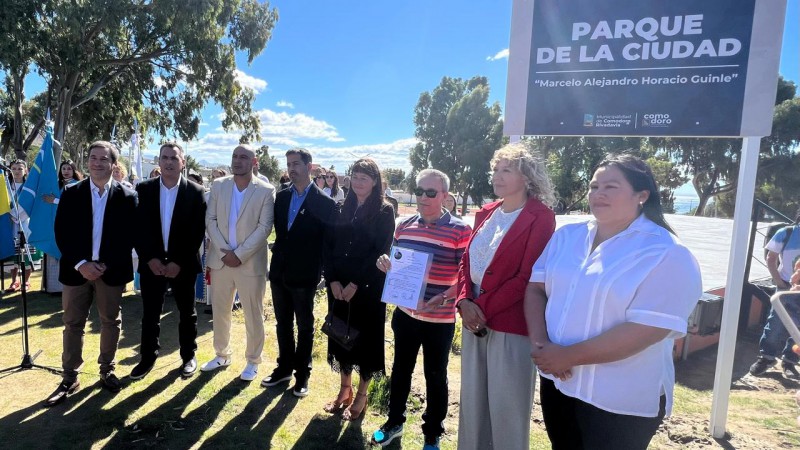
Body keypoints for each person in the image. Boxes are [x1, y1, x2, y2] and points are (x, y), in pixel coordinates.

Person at [526, 155, 702, 449]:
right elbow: (535, 290)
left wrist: (568, 356)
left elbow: (648, 329)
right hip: (559, 382)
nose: (598, 194)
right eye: (594, 186)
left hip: (619, 400)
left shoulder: (667, 253)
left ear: (642, 195)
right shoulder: (567, 237)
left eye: (611, 186)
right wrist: (541, 344)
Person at [455, 143, 556, 450]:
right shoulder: (485, 212)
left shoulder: (541, 216)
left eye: (506, 170)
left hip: (510, 325)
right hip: (473, 321)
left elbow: (526, 276)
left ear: (526, 177)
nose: (497, 176)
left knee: (506, 411)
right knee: (472, 407)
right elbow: (466, 262)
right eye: (496, 169)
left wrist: (479, 308)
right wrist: (463, 302)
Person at [371, 169, 471, 449]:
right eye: (419, 191)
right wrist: (385, 263)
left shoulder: (460, 230)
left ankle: (432, 433)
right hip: (405, 315)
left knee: (436, 376)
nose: (423, 197)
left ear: (444, 196)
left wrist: (442, 298)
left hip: (439, 320)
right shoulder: (404, 225)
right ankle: (394, 422)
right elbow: (396, 261)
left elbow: (467, 278)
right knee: (401, 370)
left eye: (431, 192)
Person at [44, 141, 138, 406]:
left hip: (111, 272)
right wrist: (81, 263)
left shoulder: (128, 197)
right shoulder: (71, 193)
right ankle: (69, 376)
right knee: (73, 324)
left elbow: (128, 236)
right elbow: (62, 233)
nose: (97, 163)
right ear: (88, 162)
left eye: (103, 159)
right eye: (93, 158)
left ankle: (107, 370)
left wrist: (104, 264)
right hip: (77, 271)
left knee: (110, 321)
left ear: (113, 164)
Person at [322, 158, 395, 421]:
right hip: (337, 287)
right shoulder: (340, 207)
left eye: (364, 177)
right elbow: (327, 246)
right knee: (341, 338)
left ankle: (362, 396)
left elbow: (380, 250)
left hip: (368, 288)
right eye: (355, 176)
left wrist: (355, 284)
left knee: (365, 342)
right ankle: (345, 389)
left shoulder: (385, 211)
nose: (358, 181)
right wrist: (332, 281)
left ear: (375, 182)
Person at [129, 143, 207, 380]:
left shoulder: (195, 191)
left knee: (187, 312)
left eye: (174, 158)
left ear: (183, 162)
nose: (169, 162)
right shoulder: (143, 189)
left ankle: (188, 357)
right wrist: (150, 258)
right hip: (151, 263)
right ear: (158, 162)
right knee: (150, 313)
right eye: (164, 158)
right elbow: (138, 229)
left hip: (182, 264)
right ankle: (147, 358)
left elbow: (197, 232)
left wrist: (178, 262)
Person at [262, 148, 336, 397]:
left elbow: (327, 243)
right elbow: (279, 236)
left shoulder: (324, 203)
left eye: (296, 164)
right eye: (288, 164)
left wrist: (325, 275)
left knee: (304, 325)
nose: (291, 169)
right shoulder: (281, 198)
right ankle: (284, 367)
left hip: (305, 276)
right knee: (283, 323)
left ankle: (302, 374)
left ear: (310, 167)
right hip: (280, 272)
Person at [200, 144, 275, 382]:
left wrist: (239, 254)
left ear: (254, 162)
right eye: (234, 156)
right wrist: (225, 252)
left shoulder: (265, 190)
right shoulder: (220, 185)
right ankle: (222, 354)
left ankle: (253, 361)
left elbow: (265, 228)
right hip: (221, 261)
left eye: (243, 157)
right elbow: (210, 220)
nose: (237, 160)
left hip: (250, 264)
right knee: (220, 311)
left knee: (253, 314)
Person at [749, 209, 800, 379]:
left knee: (798, 330)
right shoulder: (786, 233)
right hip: (785, 288)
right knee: (776, 325)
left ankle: (790, 361)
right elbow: (771, 258)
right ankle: (767, 358)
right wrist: (778, 281)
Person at [5, 160, 33, 292]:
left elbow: (32, 204)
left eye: (20, 168)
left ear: (26, 170)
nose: (16, 171)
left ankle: (26, 281)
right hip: (10, 222)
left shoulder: (30, 187)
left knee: (27, 253)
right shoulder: (6, 185)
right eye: (14, 168)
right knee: (14, 252)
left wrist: (22, 216)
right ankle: (14, 281)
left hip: (26, 222)